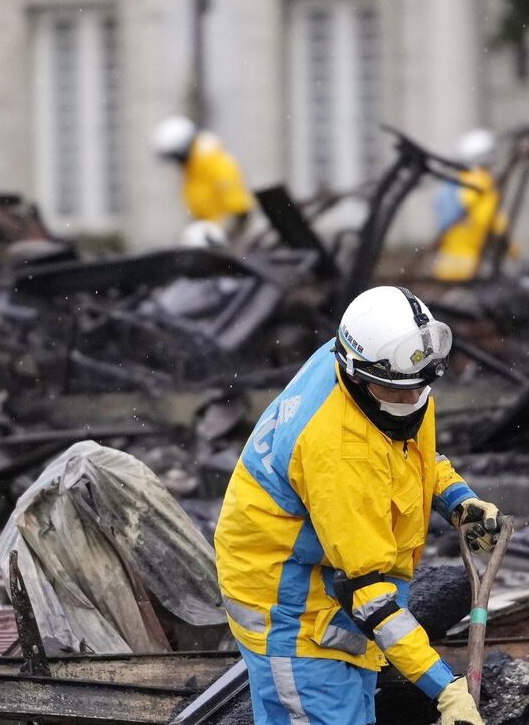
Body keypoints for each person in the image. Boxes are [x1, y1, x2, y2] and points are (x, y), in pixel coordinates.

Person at [214, 286, 503, 725]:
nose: (412, 403)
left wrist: (456, 499)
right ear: (357, 373)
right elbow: (370, 597)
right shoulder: (338, 452)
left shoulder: (394, 373)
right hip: (291, 606)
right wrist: (445, 689)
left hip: (328, 571)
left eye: (420, 388)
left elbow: (407, 456)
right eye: (397, 393)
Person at [152, 116, 254, 237]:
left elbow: (239, 212)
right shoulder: (192, 172)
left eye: (176, 158)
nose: (177, 164)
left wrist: (217, 236)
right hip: (215, 240)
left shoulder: (217, 164)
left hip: (236, 240)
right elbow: (200, 213)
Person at [431, 129, 505, 282]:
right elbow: (490, 222)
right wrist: (513, 250)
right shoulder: (481, 183)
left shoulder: (453, 183)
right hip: (472, 264)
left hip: (448, 262)